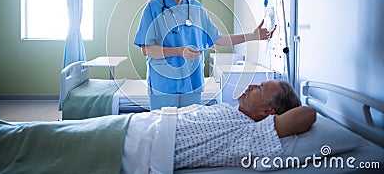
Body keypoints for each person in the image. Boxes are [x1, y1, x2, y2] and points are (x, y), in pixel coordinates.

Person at [134, 0, 277, 110]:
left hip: (192, 81)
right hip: (164, 83)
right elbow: (146, 49)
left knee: (192, 128)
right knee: (164, 128)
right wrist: (179, 51)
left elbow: (218, 39)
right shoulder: (153, 7)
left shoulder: (197, 8)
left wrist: (252, 36)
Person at [122, 79, 316, 171]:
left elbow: (308, 114)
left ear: (266, 112)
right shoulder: (230, 110)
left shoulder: (250, 132)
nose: (250, 86)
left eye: (260, 88)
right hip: (142, 123)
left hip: (140, 144)